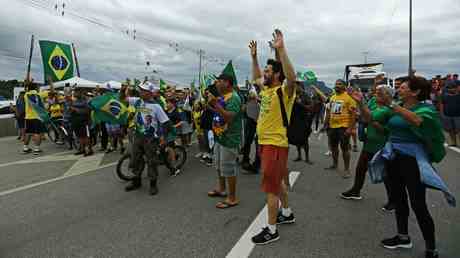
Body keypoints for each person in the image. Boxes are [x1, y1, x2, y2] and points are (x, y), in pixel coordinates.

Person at [369, 76, 455, 258]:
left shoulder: (426, 109)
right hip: (393, 157)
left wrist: (392, 105)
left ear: (415, 92)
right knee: (399, 199)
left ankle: (431, 248)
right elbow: (373, 119)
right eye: (399, 87)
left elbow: (417, 121)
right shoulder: (396, 106)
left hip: (412, 161)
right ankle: (403, 237)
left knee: (418, 204)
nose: (398, 89)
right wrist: (360, 104)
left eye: (403, 87)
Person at [249, 29, 297, 245]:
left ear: (277, 75)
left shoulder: (284, 90)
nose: (264, 74)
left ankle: (271, 230)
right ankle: (286, 213)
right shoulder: (267, 90)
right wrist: (254, 58)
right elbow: (256, 77)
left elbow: (292, 77)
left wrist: (281, 49)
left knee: (271, 188)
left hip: (275, 144)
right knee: (277, 183)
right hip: (265, 142)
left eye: (268, 71)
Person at [340, 84, 395, 211]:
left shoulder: (391, 109)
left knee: (386, 173)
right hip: (369, 143)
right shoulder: (373, 102)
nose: (376, 95)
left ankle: (393, 200)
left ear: (388, 96)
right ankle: (355, 190)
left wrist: (369, 119)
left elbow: (384, 129)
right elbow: (365, 114)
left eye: (379, 94)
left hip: (382, 145)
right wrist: (359, 114)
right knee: (360, 168)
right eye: (376, 93)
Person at [124, 81, 170, 195]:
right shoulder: (138, 101)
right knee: (136, 159)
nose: (140, 92)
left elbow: (166, 123)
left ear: (149, 93)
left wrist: (163, 137)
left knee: (151, 161)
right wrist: (123, 89)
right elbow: (123, 99)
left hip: (150, 138)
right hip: (138, 136)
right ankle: (136, 181)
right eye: (140, 90)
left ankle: (153, 184)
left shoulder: (156, 106)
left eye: (143, 90)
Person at [206, 73, 242, 209]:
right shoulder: (223, 97)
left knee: (228, 168)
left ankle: (232, 197)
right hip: (220, 137)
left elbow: (229, 118)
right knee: (219, 166)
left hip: (229, 139)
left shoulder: (234, 98)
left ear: (227, 83)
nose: (217, 83)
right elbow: (219, 112)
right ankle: (222, 189)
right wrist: (210, 104)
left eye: (219, 81)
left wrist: (215, 103)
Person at [324, 79, 357, 178]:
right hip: (332, 127)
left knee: (345, 149)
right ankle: (335, 164)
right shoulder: (333, 97)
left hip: (343, 127)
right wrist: (326, 124)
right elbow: (329, 111)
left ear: (344, 86)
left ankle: (347, 170)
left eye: (339, 84)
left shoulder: (349, 98)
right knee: (334, 147)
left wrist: (350, 129)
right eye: (336, 84)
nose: (337, 85)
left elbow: (353, 115)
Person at [22, 78, 50, 154]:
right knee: (37, 133)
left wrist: (29, 82)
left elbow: (26, 87)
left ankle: (25, 148)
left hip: (28, 117)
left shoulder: (26, 95)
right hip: (37, 116)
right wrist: (50, 82)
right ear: (35, 88)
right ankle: (36, 149)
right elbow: (52, 91)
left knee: (28, 133)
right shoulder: (39, 94)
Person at [290, 86, 314, 164]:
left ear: (301, 87)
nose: (296, 88)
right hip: (294, 121)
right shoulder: (291, 95)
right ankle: (299, 156)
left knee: (304, 140)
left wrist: (299, 103)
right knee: (296, 139)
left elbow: (310, 107)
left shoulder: (305, 96)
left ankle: (307, 158)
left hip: (303, 121)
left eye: (297, 86)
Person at [241, 87, 261, 173]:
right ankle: (246, 160)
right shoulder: (250, 103)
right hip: (251, 123)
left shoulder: (259, 102)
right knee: (248, 142)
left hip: (259, 124)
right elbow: (244, 110)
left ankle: (256, 165)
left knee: (257, 144)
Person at [70, 88, 93, 156]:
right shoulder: (74, 101)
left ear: (80, 93)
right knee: (79, 136)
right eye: (74, 92)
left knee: (86, 136)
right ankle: (82, 149)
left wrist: (76, 110)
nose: (74, 93)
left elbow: (88, 111)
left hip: (84, 121)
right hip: (76, 121)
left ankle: (89, 150)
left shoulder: (86, 101)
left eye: (76, 92)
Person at [440, 80, 460, 146]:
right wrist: (442, 113)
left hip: (458, 115)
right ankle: (453, 142)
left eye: (453, 87)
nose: (451, 89)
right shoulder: (444, 95)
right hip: (447, 115)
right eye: (449, 87)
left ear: (456, 87)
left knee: (458, 129)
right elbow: (442, 104)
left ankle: (458, 142)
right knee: (450, 129)